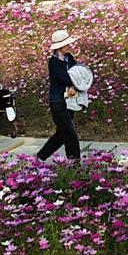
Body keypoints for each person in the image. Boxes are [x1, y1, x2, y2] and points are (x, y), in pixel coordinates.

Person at [38, 28, 81, 164]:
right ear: (59, 46)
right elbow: (64, 78)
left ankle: (40, 156)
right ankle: (75, 163)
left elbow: (77, 72)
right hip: (58, 101)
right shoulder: (54, 62)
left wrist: (75, 86)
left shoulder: (69, 58)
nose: (69, 46)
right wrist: (74, 83)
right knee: (70, 134)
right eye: (66, 44)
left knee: (62, 134)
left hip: (70, 100)